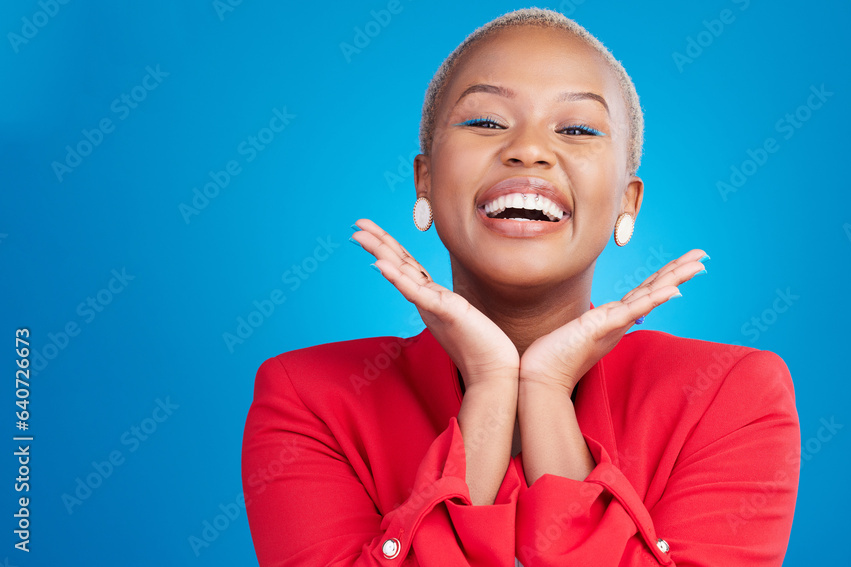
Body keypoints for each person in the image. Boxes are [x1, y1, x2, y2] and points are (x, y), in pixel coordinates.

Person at [241, 7, 799, 566]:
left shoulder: (730, 397)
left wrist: (548, 391)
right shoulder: (308, 399)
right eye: (485, 122)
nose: (528, 149)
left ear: (626, 203)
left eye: (577, 129)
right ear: (426, 181)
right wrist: (489, 390)